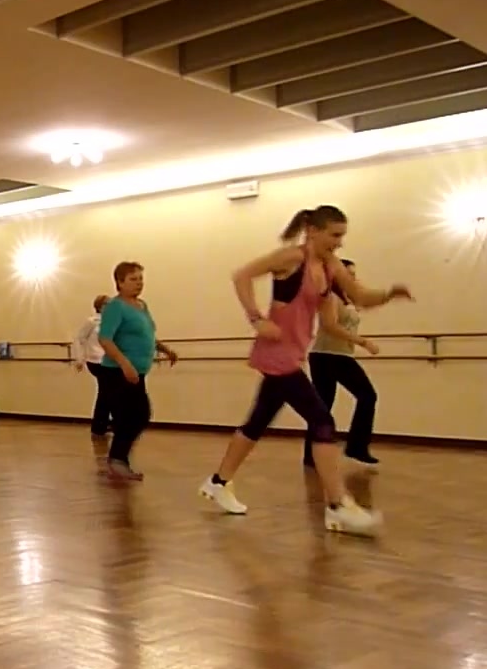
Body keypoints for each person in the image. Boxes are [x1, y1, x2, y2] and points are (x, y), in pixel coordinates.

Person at [198, 206, 411, 536]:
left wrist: (389, 294)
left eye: (342, 236)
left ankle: (218, 482)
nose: (339, 242)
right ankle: (338, 505)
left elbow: (357, 298)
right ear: (313, 231)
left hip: (293, 354)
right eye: (334, 235)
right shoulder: (291, 258)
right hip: (276, 354)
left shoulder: (330, 266)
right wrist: (256, 318)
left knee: (257, 422)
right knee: (322, 421)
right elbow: (242, 275)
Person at [96, 263, 178, 481]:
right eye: (133, 279)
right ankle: (117, 461)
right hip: (117, 373)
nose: (139, 283)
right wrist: (125, 364)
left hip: (137, 372)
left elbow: (146, 334)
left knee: (138, 416)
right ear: (120, 282)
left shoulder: (142, 306)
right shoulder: (115, 307)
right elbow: (105, 339)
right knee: (134, 416)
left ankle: (118, 460)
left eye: (141, 278)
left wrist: (165, 349)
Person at [303, 258, 380, 467]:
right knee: (367, 395)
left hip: (339, 355)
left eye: (354, 274)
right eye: (349, 274)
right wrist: (363, 342)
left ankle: (314, 455)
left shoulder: (348, 298)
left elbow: (368, 299)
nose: (353, 278)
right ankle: (355, 447)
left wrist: (391, 295)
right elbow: (330, 326)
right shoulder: (329, 296)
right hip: (327, 356)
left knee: (323, 406)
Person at [74, 294, 113, 473]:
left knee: (107, 392)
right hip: (95, 361)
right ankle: (99, 426)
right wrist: (80, 359)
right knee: (106, 391)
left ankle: (102, 425)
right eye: (107, 304)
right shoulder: (91, 322)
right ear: (100, 306)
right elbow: (79, 339)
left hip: (110, 361)